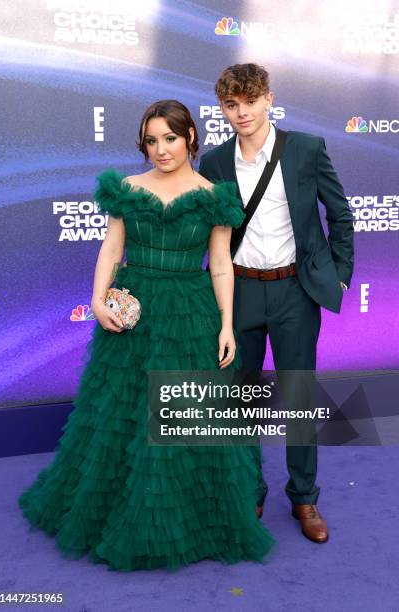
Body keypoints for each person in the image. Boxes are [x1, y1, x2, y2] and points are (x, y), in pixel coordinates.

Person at [18, 99, 278, 571]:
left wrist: (225, 325)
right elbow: (112, 247)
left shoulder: (215, 196)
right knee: (122, 411)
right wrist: (98, 300)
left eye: (170, 138)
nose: (161, 149)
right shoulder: (127, 189)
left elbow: (220, 264)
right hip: (133, 310)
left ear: (191, 139)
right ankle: (114, 509)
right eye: (152, 141)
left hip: (189, 312)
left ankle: (189, 519)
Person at [199, 64, 354, 544]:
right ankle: (250, 489)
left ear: (268, 99)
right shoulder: (215, 163)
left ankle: (304, 496)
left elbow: (340, 214)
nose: (241, 113)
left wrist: (341, 278)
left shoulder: (306, 149)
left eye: (249, 101)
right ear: (222, 108)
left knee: (299, 397)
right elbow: (207, 235)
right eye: (230, 105)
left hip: (294, 292)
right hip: (239, 291)